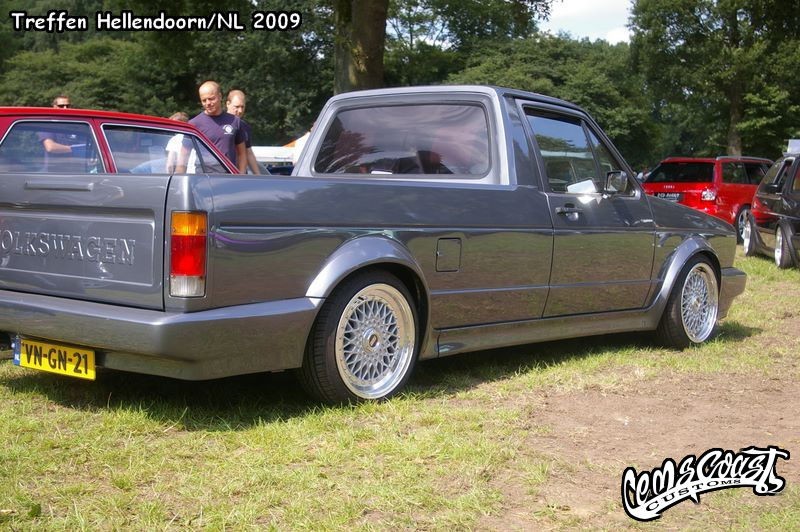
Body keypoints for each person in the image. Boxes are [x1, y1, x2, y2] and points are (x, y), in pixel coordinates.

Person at [189, 81, 247, 173]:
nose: (208, 103)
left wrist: (241, 176)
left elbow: (242, 154)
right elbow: (183, 155)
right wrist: (179, 178)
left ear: (220, 96)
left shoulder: (235, 121)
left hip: (228, 177)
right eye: (204, 100)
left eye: (211, 99)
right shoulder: (194, 124)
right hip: (203, 177)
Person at [225, 89, 260, 174]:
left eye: (242, 107)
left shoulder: (244, 126)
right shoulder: (218, 123)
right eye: (237, 107)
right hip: (222, 174)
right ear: (228, 104)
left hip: (240, 174)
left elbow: (249, 153)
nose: (240, 111)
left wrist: (258, 176)